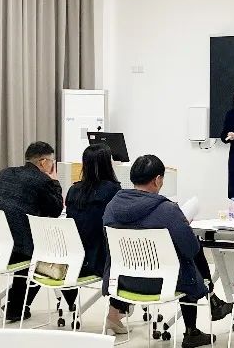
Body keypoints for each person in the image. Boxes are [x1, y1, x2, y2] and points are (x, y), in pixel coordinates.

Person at [102, 154, 232, 348]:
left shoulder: (112, 207)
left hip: (123, 283)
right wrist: (184, 227)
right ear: (157, 180)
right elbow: (191, 249)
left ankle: (210, 306)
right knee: (188, 256)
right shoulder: (167, 210)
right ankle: (192, 330)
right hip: (161, 284)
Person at [0, 141, 64, 321]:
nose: (52, 165)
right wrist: (55, 181)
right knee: (44, 255)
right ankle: (16, 307)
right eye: (51, 161)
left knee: (24, 242)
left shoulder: (5, 173)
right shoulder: (42, 181)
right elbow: (56, 210)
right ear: (43, 162)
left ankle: (15, 304)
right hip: (15, 254)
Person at [62, 143, 130, 333]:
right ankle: (117, 312)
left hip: (74, 260)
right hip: (100, 260)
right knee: (126, 257)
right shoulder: (113, 190)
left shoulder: (73, 190)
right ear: (107, 164)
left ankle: (119, 311)